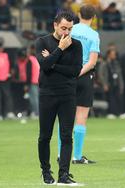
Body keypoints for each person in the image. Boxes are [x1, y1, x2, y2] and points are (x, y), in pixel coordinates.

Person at [35, 10, 82, 185]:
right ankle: (46, 172)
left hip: (68, 94)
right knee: (44, 136)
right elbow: (44, 66)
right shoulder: (42, 42)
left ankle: (64, 174)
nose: (67, 33)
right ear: (55, 25)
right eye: (63, 28)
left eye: (70, 29)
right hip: (47, 94)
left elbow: (75, 71)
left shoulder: (77, 45)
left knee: (66, 136)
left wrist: (54, 63)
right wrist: (60, 50)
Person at [57, 4, 100, 164]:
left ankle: (62, 155)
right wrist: (79, 72)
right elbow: (92, 61)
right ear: (94, 17)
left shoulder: (70, 30)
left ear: (78, 14)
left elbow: (60, 52)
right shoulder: (94, 35)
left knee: (63, 116)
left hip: (67, 76)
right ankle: (77, 156)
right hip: (84, 77)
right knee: (81, 117)